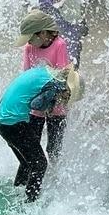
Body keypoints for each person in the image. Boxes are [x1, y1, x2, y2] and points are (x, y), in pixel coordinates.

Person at [0, 61, 80, 202]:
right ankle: (31, 202)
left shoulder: (46, 72)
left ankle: (17, 193)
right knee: (40, 164)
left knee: (27, 162)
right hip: (14, 124)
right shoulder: (55, 85)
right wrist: (51, 104)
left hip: (2, 121)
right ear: (67, 89)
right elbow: (36, 104)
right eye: (68, 97)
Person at [18, 10, 70, 160]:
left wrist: (53, 100)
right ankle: (36, 169)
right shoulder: (29, 48)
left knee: (54, 147)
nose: (28, 42)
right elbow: (26, 74)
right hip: (35, 105)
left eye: (30, 37)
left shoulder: (59, 45)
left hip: (57, 104)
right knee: (32, 142)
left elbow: (62, 73)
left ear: (42, 34)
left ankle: (54, 171)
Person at [30, 0, 87, 65]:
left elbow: (76, 18)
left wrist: (61, 5)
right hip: (50, 36)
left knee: (70, 68)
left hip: (71, 32)